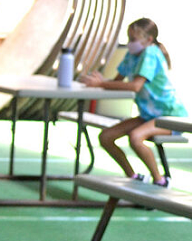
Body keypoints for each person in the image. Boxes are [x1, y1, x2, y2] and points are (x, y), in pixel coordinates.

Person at [79, 17, 187, 187]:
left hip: (169, 117)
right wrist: (101, 81)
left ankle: (160, 180)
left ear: (149, 39)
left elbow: (135, 86)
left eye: (133, 39)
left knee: (136, 137)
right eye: (129, 38)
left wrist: (101, 84)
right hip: (147, 116)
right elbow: (117, 81)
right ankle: (134, 177)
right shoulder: (132, 54)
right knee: (106, 137)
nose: (130, 43)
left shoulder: (151, 54)